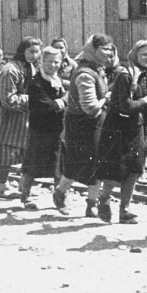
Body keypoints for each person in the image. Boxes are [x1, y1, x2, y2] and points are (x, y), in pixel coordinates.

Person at [92, 40, 147, 223]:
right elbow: (125, 105)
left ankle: (125, 210)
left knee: (135, 168)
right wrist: (144, 101)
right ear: (134, 55)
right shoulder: (125, 75)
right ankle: (104, 198)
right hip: (117, 127)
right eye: (144, 54)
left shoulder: (143, 74)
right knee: (116, 169)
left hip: (135, 127)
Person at [53, 34, 113, 216]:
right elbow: (90, 107)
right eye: (105, 49)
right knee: (76, 164)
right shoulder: (85, 74)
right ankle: (60, 193)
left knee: (97, 164)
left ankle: (91, 204)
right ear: (93, 51)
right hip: (81, 124)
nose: (109, 53)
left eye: (111, 49)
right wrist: (106, 98)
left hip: (96, 123)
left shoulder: (97, 69)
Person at [0, 37, 41, 198]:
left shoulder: (29, 67)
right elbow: (8, 100)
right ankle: (2, 186)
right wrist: (32, 99)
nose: (34, 55)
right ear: (22, 51)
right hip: (6, 118)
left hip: (21, 117)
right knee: (5, 153)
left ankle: (23, 186)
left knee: (21, 152)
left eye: (37, 52)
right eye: (30, 52)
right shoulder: (11, 70)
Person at [18, 47, 68, 210]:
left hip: (57, 129)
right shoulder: (36, 83)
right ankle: (25, 196)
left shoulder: (57, 79)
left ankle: (60, 199)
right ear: (41, 61)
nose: (53, 65)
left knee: (58, 166)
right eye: (50, 61)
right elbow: (46, 105)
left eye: (56, 62)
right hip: (39, 129)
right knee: (32, 164)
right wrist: (64, 100)